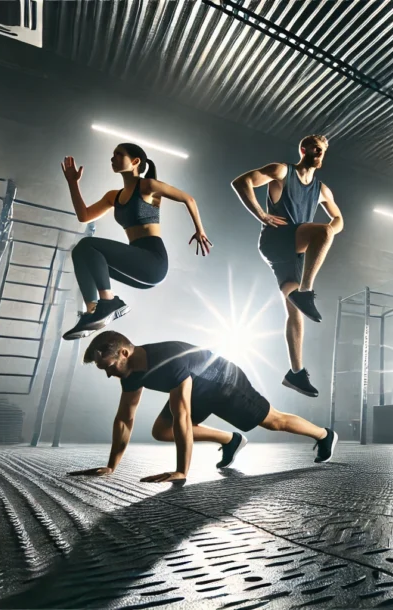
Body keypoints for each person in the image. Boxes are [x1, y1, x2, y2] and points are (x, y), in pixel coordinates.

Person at [67, 331, 338, 482]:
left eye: (109, 367)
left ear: (124, 353)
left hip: (223, 381)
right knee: (161, 431)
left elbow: (182, 415)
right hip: (197, 388)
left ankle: (325, 435)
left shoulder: (168, 359)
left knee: (273, 421)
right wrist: (112, 465)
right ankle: (232, 440)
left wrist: (181, 471)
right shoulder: (129, 372)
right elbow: (125, 419)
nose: (108, 374)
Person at [60, 144, 212, 340]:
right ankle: (93, 311)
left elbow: (188, 199)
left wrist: (200, 230)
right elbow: (84, 215)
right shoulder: (112, 196)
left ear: (135, 162)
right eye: (112, 154)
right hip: (138, 266)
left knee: (87, 245)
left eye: (118, 154)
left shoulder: (147, 186)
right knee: (80, 253)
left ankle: (109, 302)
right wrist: (73, 183)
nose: (112, 158)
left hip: (153, 261)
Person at [231, 135, 344, 398]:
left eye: (323, 149)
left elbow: (338, 218)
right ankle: (306, 291)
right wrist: (261, 213)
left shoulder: (322, 189)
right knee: (323, 234)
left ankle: (296, 373)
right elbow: (241, 182)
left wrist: (330, 230)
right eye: (316, 146)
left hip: (295, 252)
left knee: (294, 312)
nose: (320, 151)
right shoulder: (283, 171)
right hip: (277, 238)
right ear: (303, 149)